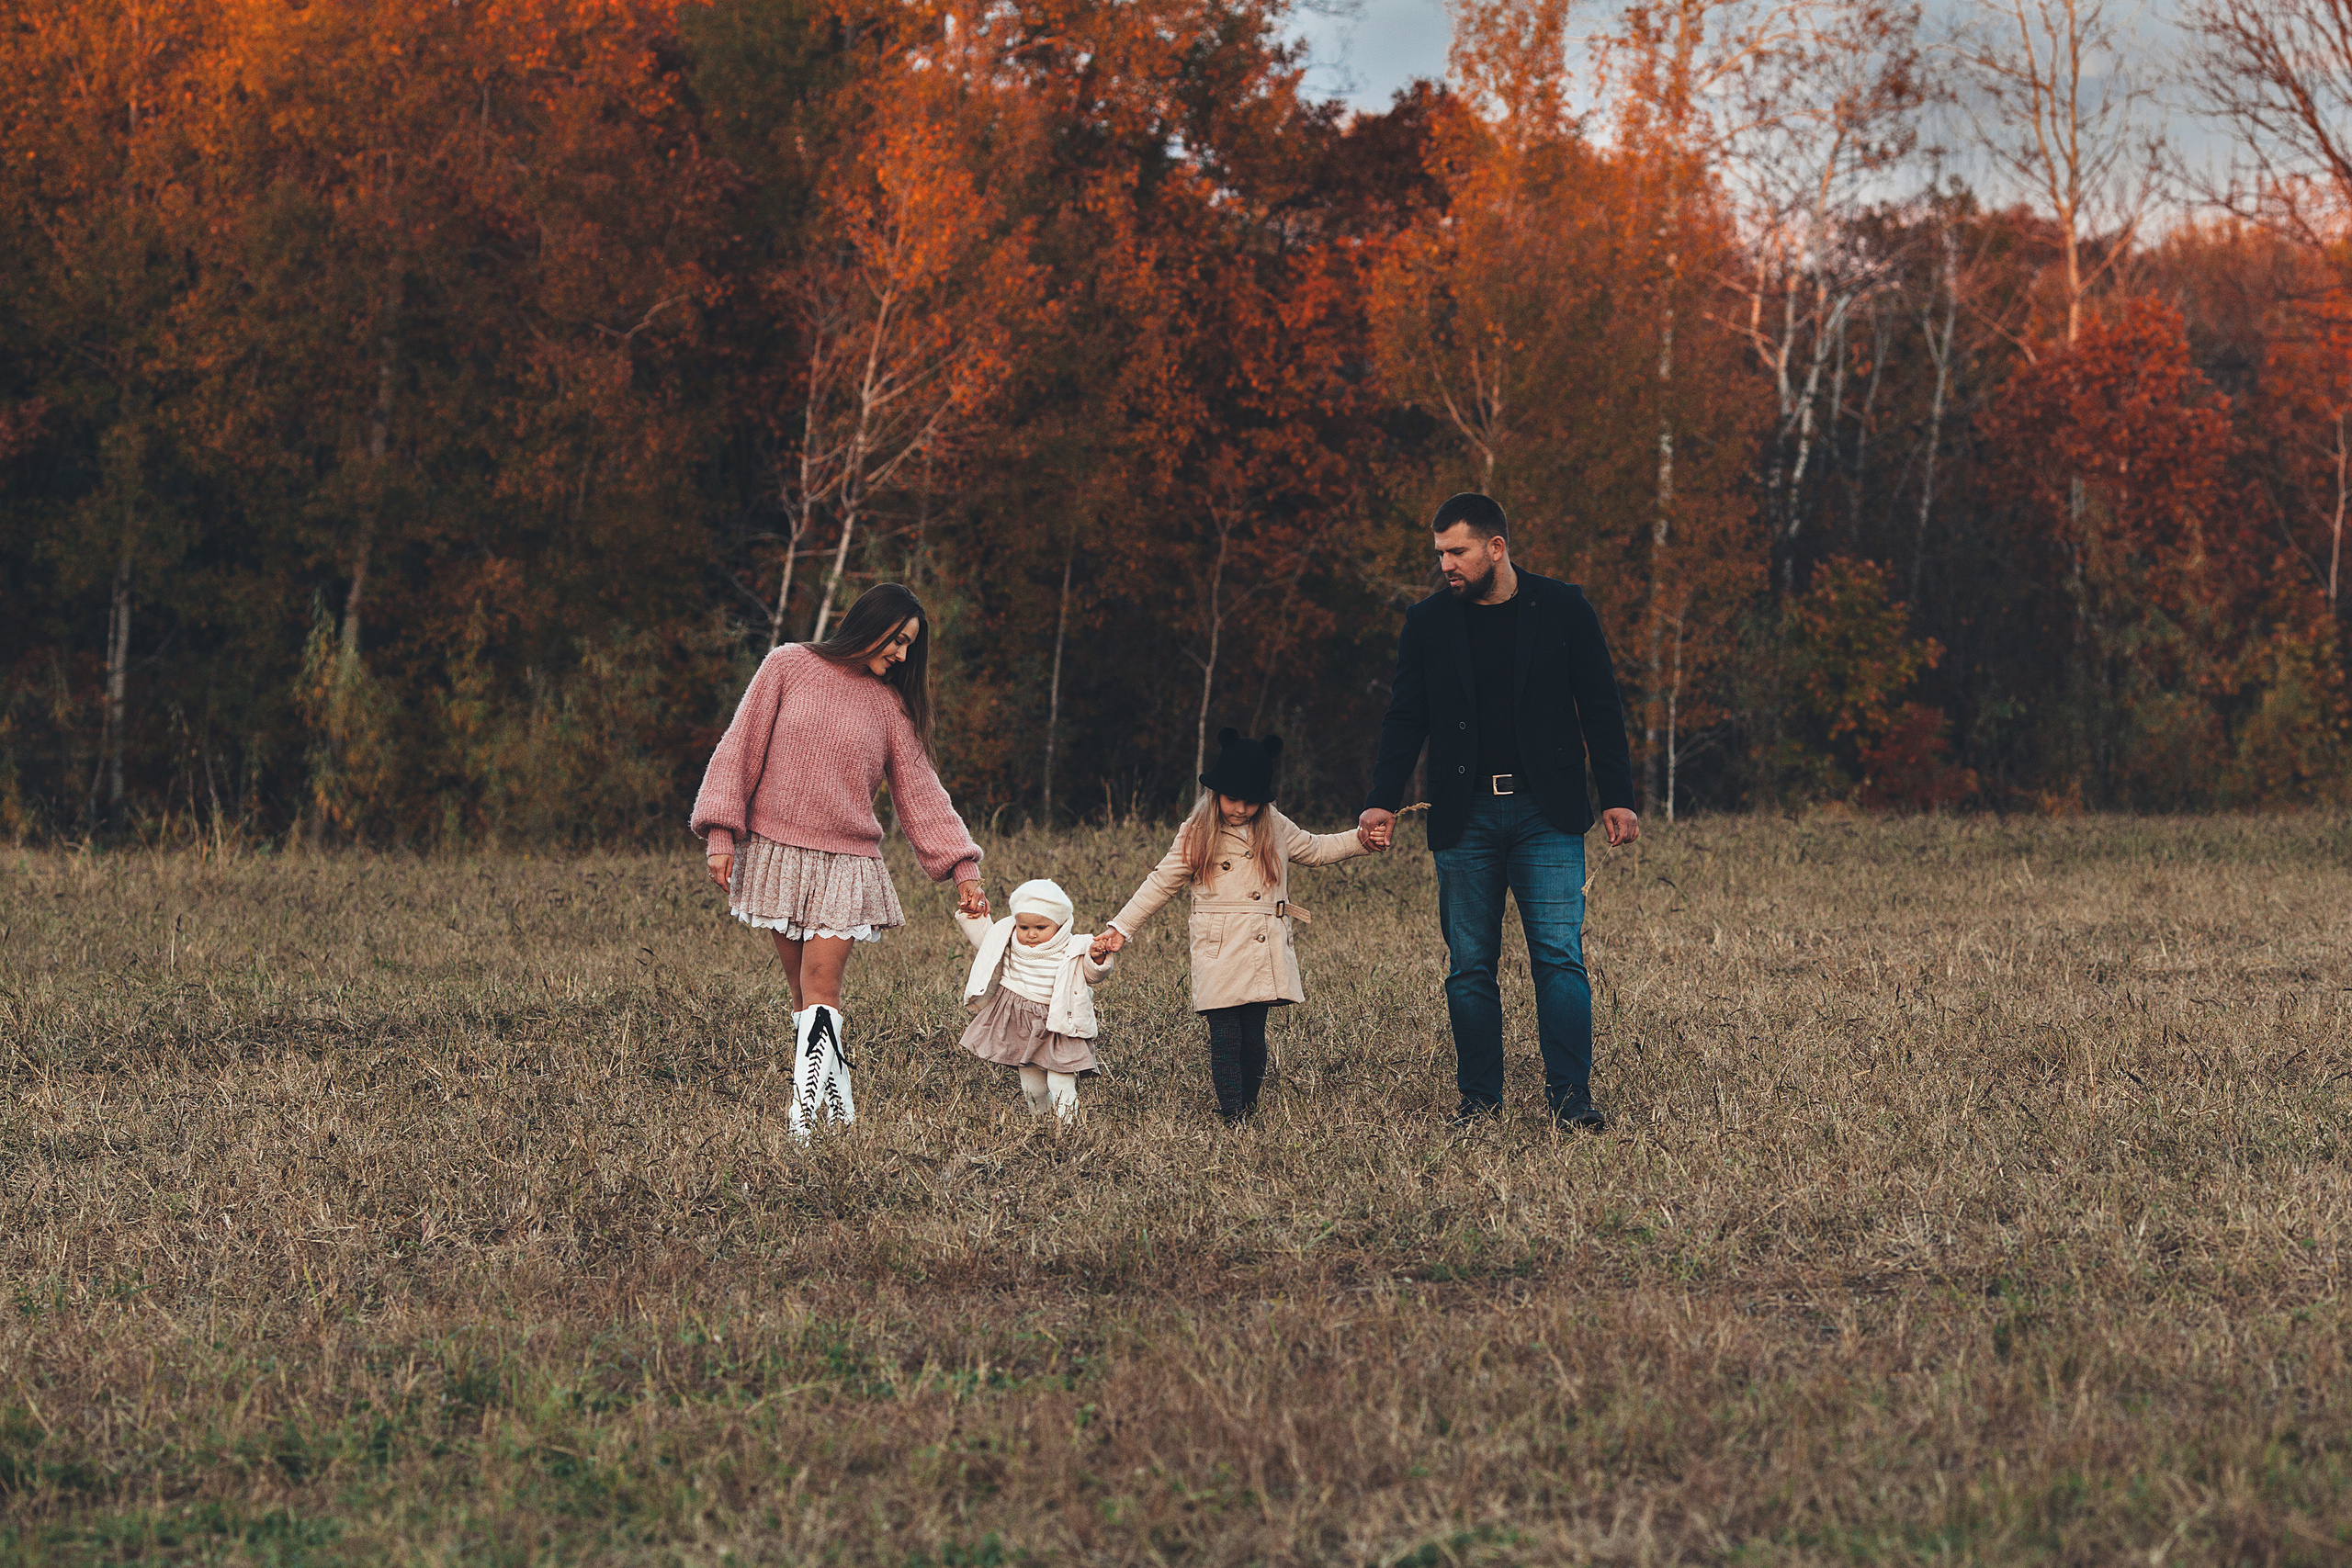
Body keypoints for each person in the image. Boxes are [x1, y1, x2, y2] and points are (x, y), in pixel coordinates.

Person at [1357, 493, 1638, 1132]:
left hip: (1549, 813)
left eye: (1456, 552)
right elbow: (1406, 716)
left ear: (1496, 547)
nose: (1446, 565)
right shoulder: (1428, 621)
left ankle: (1571, 1102)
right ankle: (1479, 1104)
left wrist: (1618, 794)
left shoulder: (1564, 608)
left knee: (1559, 958)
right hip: (1464, 815)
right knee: (1469, 966)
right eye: (1439, 554)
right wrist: (1382, 797)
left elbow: (1600, 703)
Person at [691, 583, 989, 1140]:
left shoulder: (890, 706)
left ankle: (803, 1128)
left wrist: (962, 869)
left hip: (845, 865)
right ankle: (840, 1112)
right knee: (803, 998)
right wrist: (721, 833)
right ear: (867, 623)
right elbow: (740, 747)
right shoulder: (787, 665)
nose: (901, 654)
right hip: (777, 853)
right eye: (897, 639)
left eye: (908, 646)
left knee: (822, 989)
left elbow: (921, 792)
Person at [1095, 729, 1380, 1122]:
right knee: (1225, 1035)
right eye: (1233, 799)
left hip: (1262, 943)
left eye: (1251, 801)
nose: (1241, 809)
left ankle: (1248, 1106)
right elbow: (1162, 881)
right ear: (1215, 793)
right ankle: (1232, 1113)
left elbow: (1315, 849)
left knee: (1252, 1035)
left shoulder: (1274, 825)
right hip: (1218, 945)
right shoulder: (1198, 830)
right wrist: (1121, 927)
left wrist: (1362, 840)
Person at [953, 877, 1120, 1128]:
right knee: (1032, 1085)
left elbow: (1092, 974)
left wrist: (1096, 957)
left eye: (1040, 927)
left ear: (1060, 924)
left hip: (1058, 1024)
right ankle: (1040, 1122)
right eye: (1024, 927)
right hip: (1020, 1022)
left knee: (1060, 1081)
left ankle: (1069, 1127)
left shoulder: (1074, 945)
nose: (1031, 934)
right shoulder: (1007, 938)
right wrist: (973, 915)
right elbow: (986, 940)